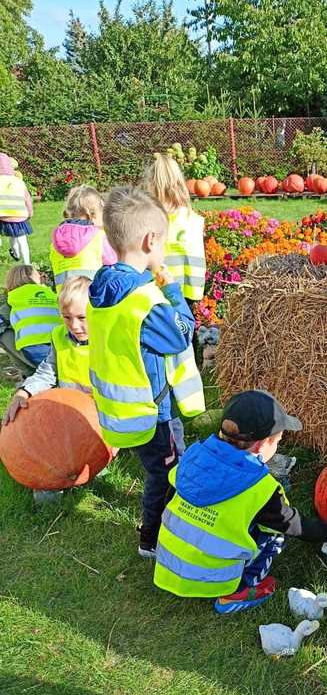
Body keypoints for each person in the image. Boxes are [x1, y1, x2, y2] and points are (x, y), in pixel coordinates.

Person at [153, 390, 327, 615]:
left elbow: (168, 499)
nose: (278, 447)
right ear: (261, 446)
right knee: (274, 534)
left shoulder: (194, 456)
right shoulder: (259, 489)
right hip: (209, 577)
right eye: (277, 441)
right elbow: (291, 522)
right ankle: (238, 592)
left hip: (168, 564)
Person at [87, 186, 205, 558]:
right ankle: (154, 540)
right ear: (150, 240)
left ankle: (160, 533)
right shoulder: (144, 301)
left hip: (118, 409)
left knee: (156, 469)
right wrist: (171, 290)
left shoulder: (100, 288)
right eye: (164, 244)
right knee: (166, 474)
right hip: (154, 413)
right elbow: (182, 334)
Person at [2, 276, 92, 425]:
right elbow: (47, 372)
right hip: (70, 410)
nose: (74, 325)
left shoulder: (107, 340)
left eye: (82, 317)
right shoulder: (59, 336)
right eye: (67, 317)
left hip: (101, 415)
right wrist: (24, 391)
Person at [141, 155, 206, 301]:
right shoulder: (193, 218)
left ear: (151, 184)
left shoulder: (151, 219)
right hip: (189, 292)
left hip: (162, 289)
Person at [50, 185, 117, 292]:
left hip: (64, 300)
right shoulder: (99, 237)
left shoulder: (55, 241)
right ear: (93, 214)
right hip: (91, 300)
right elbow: (113, 266)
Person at [5, 264, 62, 367]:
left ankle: (28, 372)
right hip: (60, 343)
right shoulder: (50, 293)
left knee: (4, 328)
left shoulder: (12, 297)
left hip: (33, 348)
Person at [0, 152, 33, 264]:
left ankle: (16, 254)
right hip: (19, 214)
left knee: (11, 237)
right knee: (22, 239)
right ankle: (27, 263)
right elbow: (27, 198)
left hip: (3, 215)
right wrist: (30, 212)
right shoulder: (19, 182)